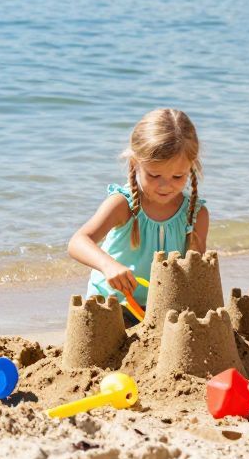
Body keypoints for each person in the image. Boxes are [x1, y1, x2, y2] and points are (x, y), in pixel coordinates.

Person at [68, 109, 209, 317]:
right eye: (154, 175)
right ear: (135, 163)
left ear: (192, 166)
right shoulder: (123, 204)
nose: (164, 186)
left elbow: (195, 270)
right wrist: (108, 266)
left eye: (178, 176)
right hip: (112, 305)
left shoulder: (196, 214)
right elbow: (78, 242)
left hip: (160, 309)